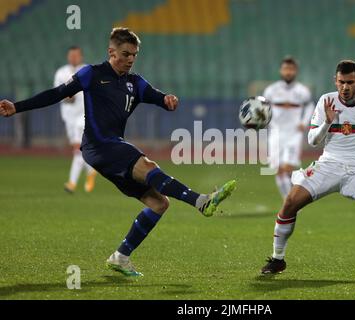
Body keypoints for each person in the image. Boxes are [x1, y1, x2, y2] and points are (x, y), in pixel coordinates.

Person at [0, 27, 236, 277]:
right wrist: (17, 107)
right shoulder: (92, 74)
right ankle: (201, 202)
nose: (131, 59)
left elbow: (160, 98)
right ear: (111, 52)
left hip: (111, 148)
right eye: (125, 54)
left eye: (134, 54)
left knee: (158, 203)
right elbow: (57, 94)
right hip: (98, 145)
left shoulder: (136, 83)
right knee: (148, 166)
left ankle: (120, 257)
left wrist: (169, 100)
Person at [260, 60, 355, 277]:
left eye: (350, 82)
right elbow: (313, 140)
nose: (345, 87)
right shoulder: (326, 101)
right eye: (341, 82)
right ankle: (277, 259)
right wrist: (327, 122)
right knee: (290, 203)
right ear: (335, 81)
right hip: (328, 166)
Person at [263, 56, 314, 199]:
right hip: (276, 133)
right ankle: (290, 201)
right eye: (286, 69)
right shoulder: (271, 90)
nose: (288, 72)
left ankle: (289, 202)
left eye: (291, 69)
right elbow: (263, 108)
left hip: (294, 134)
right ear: (281, 70)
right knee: (279, 170)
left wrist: (304, 122)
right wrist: (264, 121)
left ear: (295, 71)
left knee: (288, 168)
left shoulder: (302, 90)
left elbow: (310, 106)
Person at [53, 46, 97, 193]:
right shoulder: (61, 72)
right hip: (68, 116)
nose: (73, 58)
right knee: (79, 148)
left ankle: (71, 183)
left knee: (78, 149)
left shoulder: (86, 71)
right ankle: (91, 172)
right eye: (71, 55)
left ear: (81, 57)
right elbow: (57, 93)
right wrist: (66, 97)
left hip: (84, 115)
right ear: (68, 56)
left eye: (76, 55)